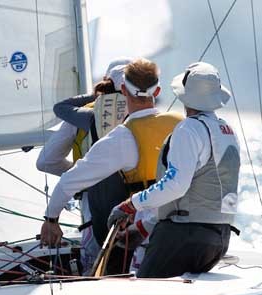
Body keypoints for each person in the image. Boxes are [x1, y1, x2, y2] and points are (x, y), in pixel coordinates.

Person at [39, 58, 184, 272]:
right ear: (157, 91)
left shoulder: (122, 136)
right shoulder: (181, 123)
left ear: (124, 90)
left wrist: (51, 219)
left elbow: (67, 180)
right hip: (181, 226)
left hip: (141, 231)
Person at [107, 62, 241, 278]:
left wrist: (131, 204)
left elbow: (175, 185)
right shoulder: (226, 130)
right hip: (218, 239)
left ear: (185, 95)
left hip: (182, 236)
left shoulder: (189, 129)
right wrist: (144, 227)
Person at [36, 59, 131, 271]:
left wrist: (82, 175)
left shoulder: (87, 112)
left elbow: (45, 161)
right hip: (141, 197)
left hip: (95, 197)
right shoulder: (145, 112)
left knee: (98, 258)